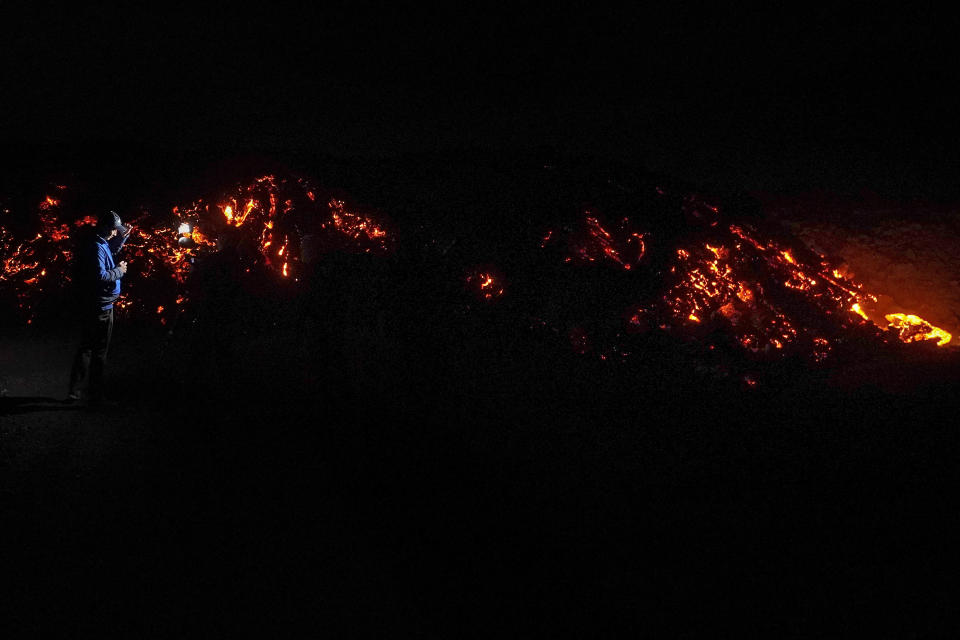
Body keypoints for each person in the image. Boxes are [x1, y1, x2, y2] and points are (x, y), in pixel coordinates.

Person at [66, 211, 131, 405]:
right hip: (100, 306)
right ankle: (94, 395)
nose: (114, 233)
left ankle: (75, 393)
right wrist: (120, 271)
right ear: (103, 227)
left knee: (86, 347)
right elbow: (100, 275)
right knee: (98, 351)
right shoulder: (95, 246)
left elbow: (108, 251)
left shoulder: (97, 243)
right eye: (113, 229)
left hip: (96, 304)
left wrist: (123, 239)